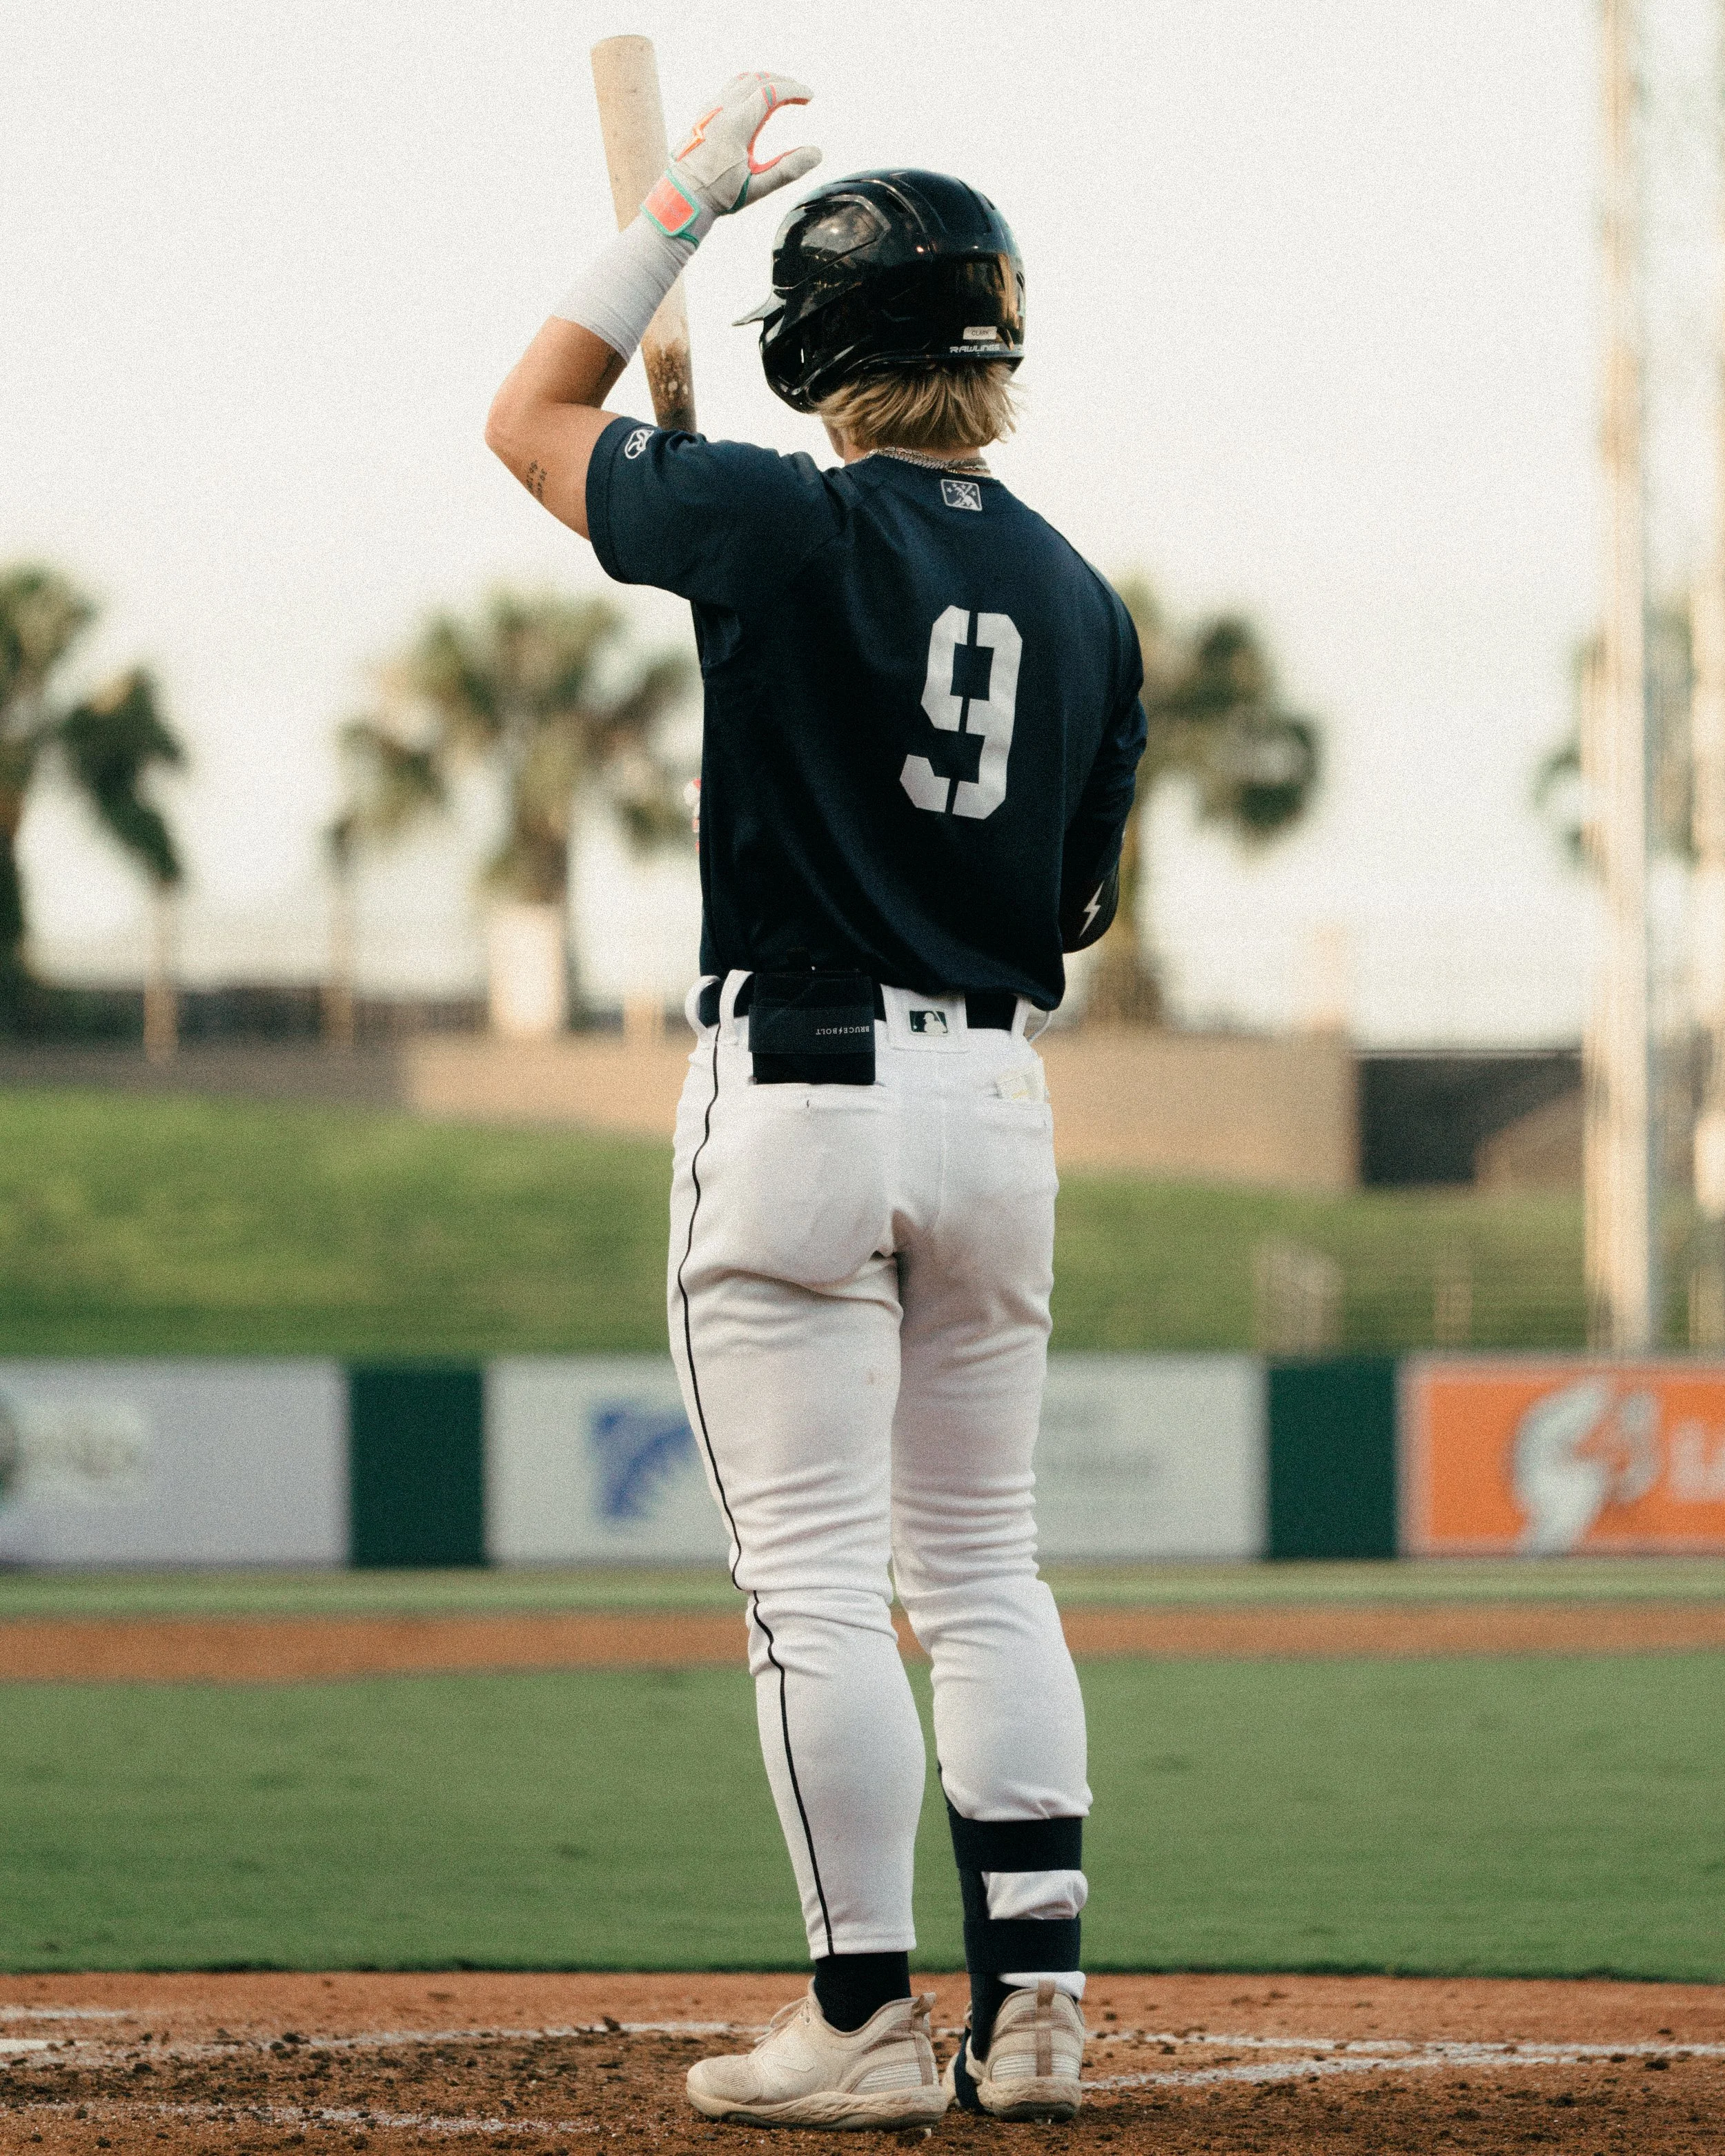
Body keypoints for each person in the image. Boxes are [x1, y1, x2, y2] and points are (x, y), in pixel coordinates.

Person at [486, 70, 1145, 2133]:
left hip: (793, 1085)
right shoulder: (1079, 600)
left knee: (813, 1588)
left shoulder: (768, 518)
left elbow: (525, 418)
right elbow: (1071, 899)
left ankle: (859, 2012)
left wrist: (677, 200)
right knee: (983, 1567)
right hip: (992, 1099)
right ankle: (1028, 2012)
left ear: (815, 350)